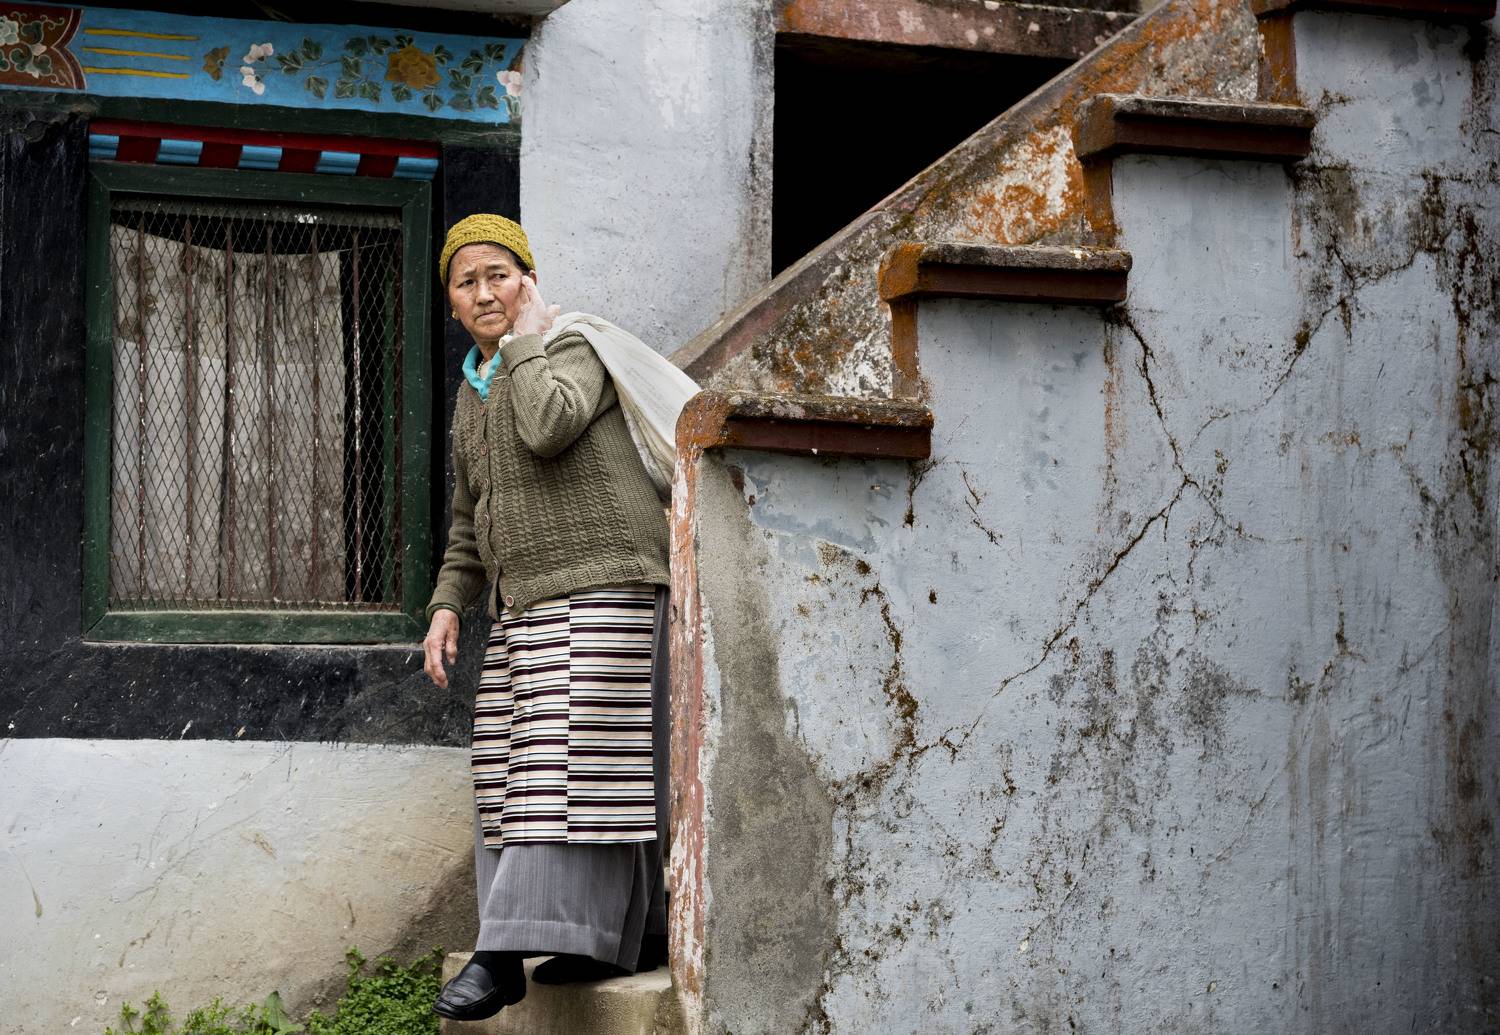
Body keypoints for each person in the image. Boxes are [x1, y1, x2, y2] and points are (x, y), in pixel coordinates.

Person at [422, 214, 672, 1022]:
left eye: (499, 274)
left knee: (562, 768)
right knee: (522, 768)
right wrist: (447, 604)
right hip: (526, 599)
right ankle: (630, 937)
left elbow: (548, 424)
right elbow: (469, 517)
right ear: (451, 302)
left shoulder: (573, 345)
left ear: (528, 279)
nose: (484, 292)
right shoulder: (471, 393)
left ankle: (501, 956)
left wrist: (526, 340)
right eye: (467, 281)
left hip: (607, 579)